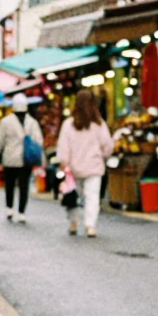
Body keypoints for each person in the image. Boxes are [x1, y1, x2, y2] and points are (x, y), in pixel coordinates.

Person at [56, 89, 114, 237]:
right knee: (92, 196)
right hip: (94, 167)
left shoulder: (68, 124)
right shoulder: (99, 124)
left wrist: (64, 163)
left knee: (72, 196)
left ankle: (73, 223)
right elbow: (108, 145)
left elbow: (63, 147)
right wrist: (104, 157)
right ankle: (90, 226)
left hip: (73, 169)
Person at [0, 94, 44, 223]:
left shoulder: (5, 121)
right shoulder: (32, 122)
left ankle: (9, 209)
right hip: (26, 159)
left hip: (9, 158)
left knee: (9, 184)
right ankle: (21, 212)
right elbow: (39, 141)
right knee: (24, 185)